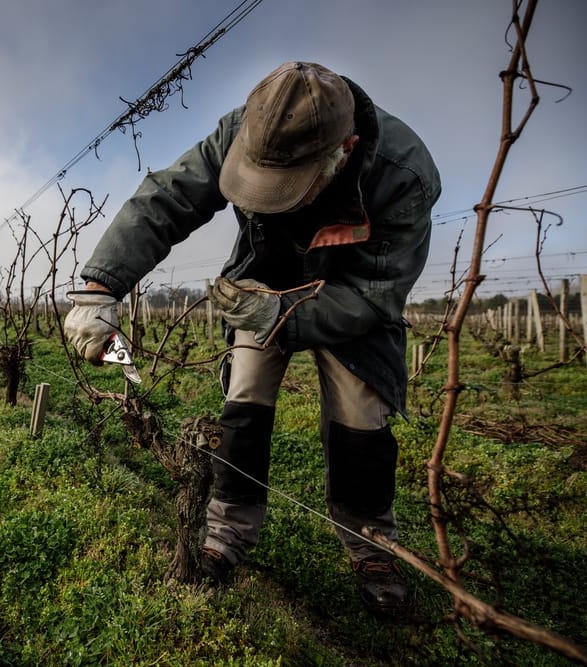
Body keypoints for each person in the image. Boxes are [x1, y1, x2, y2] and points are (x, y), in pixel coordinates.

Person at [63, 61, 440, 617]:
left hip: (352, 304)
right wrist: (100, 285)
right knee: (243, 406)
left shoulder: (403, 173)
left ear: (346, 149)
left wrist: (281, 313)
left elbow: (374, 293)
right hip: (260, 281)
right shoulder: (245, 127)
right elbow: (166, 198)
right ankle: (229, 531)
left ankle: (371, 545)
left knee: (362, 421)